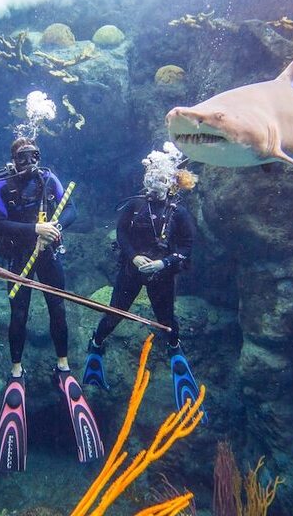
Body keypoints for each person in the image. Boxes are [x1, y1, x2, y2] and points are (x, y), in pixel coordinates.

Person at [0, 137, 104, 472]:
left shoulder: (47, 179)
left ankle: (63, 366)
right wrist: (33, 228)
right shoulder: (0, 186)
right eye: (24, 157)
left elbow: (72, 209)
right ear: (13, 159)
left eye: (35, 156)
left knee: (58, 308)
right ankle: (16, 370)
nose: (30, 162)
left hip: (48, 252)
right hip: (19, 255)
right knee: (19, 314)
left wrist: (55, 228)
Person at [82, 142, 201, 411]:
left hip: (162, 275)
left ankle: (174, 349)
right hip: (131, 271)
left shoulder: (179, 213)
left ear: (172, 182)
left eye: (161, 179)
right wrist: (134, 256)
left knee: (167, 319)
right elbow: (121, 233)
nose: (154, 184)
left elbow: (186, 246)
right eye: (151, 178)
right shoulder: (134, 205)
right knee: (115, 312)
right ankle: (97, 344)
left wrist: (164, 263)